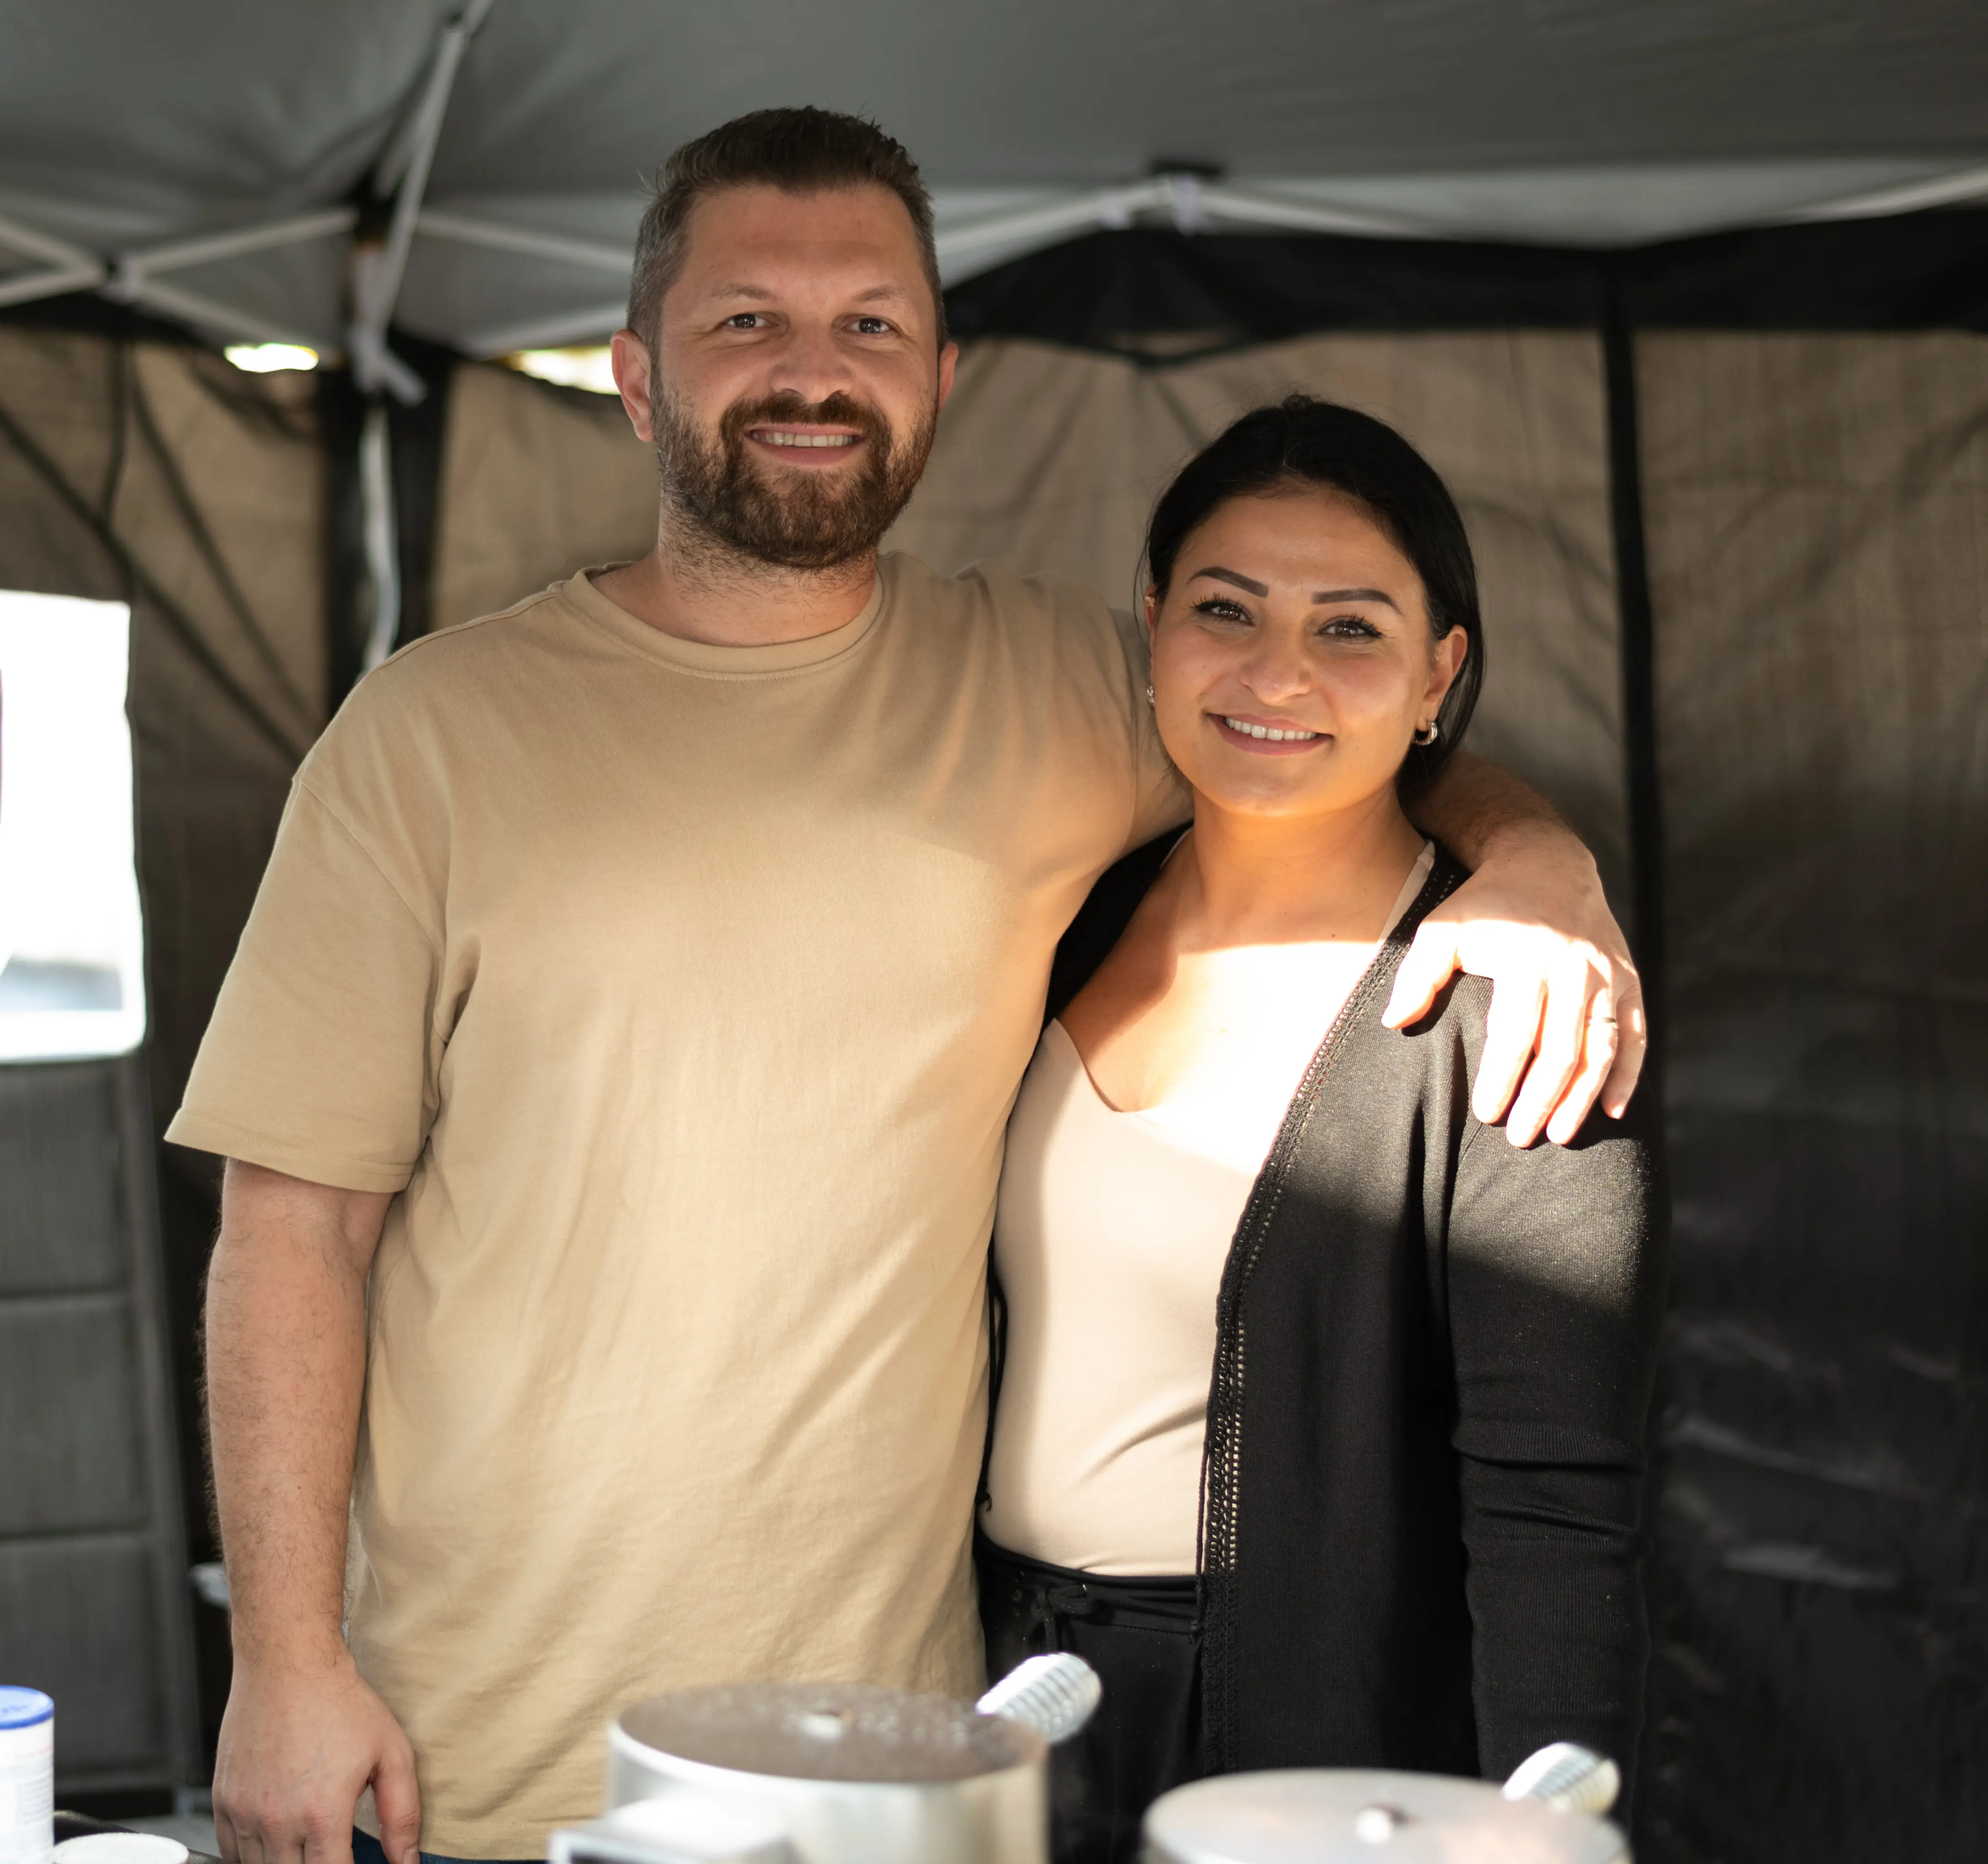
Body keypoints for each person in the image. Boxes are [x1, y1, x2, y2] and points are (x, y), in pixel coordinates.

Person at [175, 108, 1646, 1864]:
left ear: (942, 376)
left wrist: (1540, 863)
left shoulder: (1054, 682)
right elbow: (289, 1233)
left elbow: (1318, 716)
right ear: (635, 378)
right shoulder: (423, 738)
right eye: (747, 323)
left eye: (869, 324)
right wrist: (282, 1659)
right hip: (482, 1743)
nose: (814, 373)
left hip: (907, 1749)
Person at [978, 397, 1663, 1864]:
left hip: (1294, 1730)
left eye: (1350, 628)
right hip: (1000, 1693)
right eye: (1225, 608)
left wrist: (1549, 1826)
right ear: (1153, 621)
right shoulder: (1073, 907)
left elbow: (1557, 1512)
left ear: (1440, 674)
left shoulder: (1514, 1004)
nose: (1275, 670)